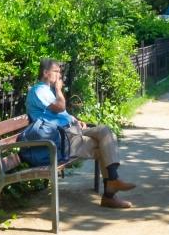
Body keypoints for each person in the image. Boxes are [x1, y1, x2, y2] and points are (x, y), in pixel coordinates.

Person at [22, 59, 138, 210]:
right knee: (103, 146)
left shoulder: (46, 91)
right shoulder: (39, 91)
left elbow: (61, 113)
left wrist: (75, 119)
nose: (59, 75)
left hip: (72, 129)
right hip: (60, 138)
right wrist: (59, 90)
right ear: (45, 73)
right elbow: (59, 107)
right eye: (56, 71)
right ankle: (110, 193)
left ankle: (112, 183)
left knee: (105, 132)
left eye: (60, 72)